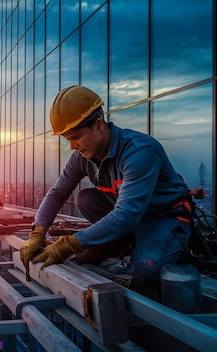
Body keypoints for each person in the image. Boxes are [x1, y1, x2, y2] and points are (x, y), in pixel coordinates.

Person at [20, 85, 192, 284]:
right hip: (129, 219)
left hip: (163, 218)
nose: (73, 147)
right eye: (68, 140)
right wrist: (37, 232)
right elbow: (58, 193)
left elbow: (126, 215)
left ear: (99, 125)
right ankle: (116, 242)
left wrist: (68, 245)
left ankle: (157, 243)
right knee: (86, 199)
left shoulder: (139, 152)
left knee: (147, 270)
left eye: (76, 137)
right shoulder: (81, 157)